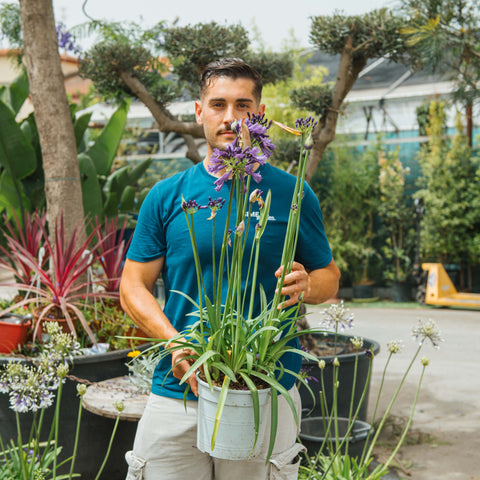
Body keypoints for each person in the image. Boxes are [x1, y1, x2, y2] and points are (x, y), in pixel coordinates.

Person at [120, 57, 340, 480]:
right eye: (218, 104)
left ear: (258, 114)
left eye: (242, 106)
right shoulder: (168, 196)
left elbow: (329, 277)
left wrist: (307, 284)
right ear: (199, 111)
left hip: (265, 390)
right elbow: (133, 286)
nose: (230, 117)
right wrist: (175, 345)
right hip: (180, 388)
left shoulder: (292, 193)